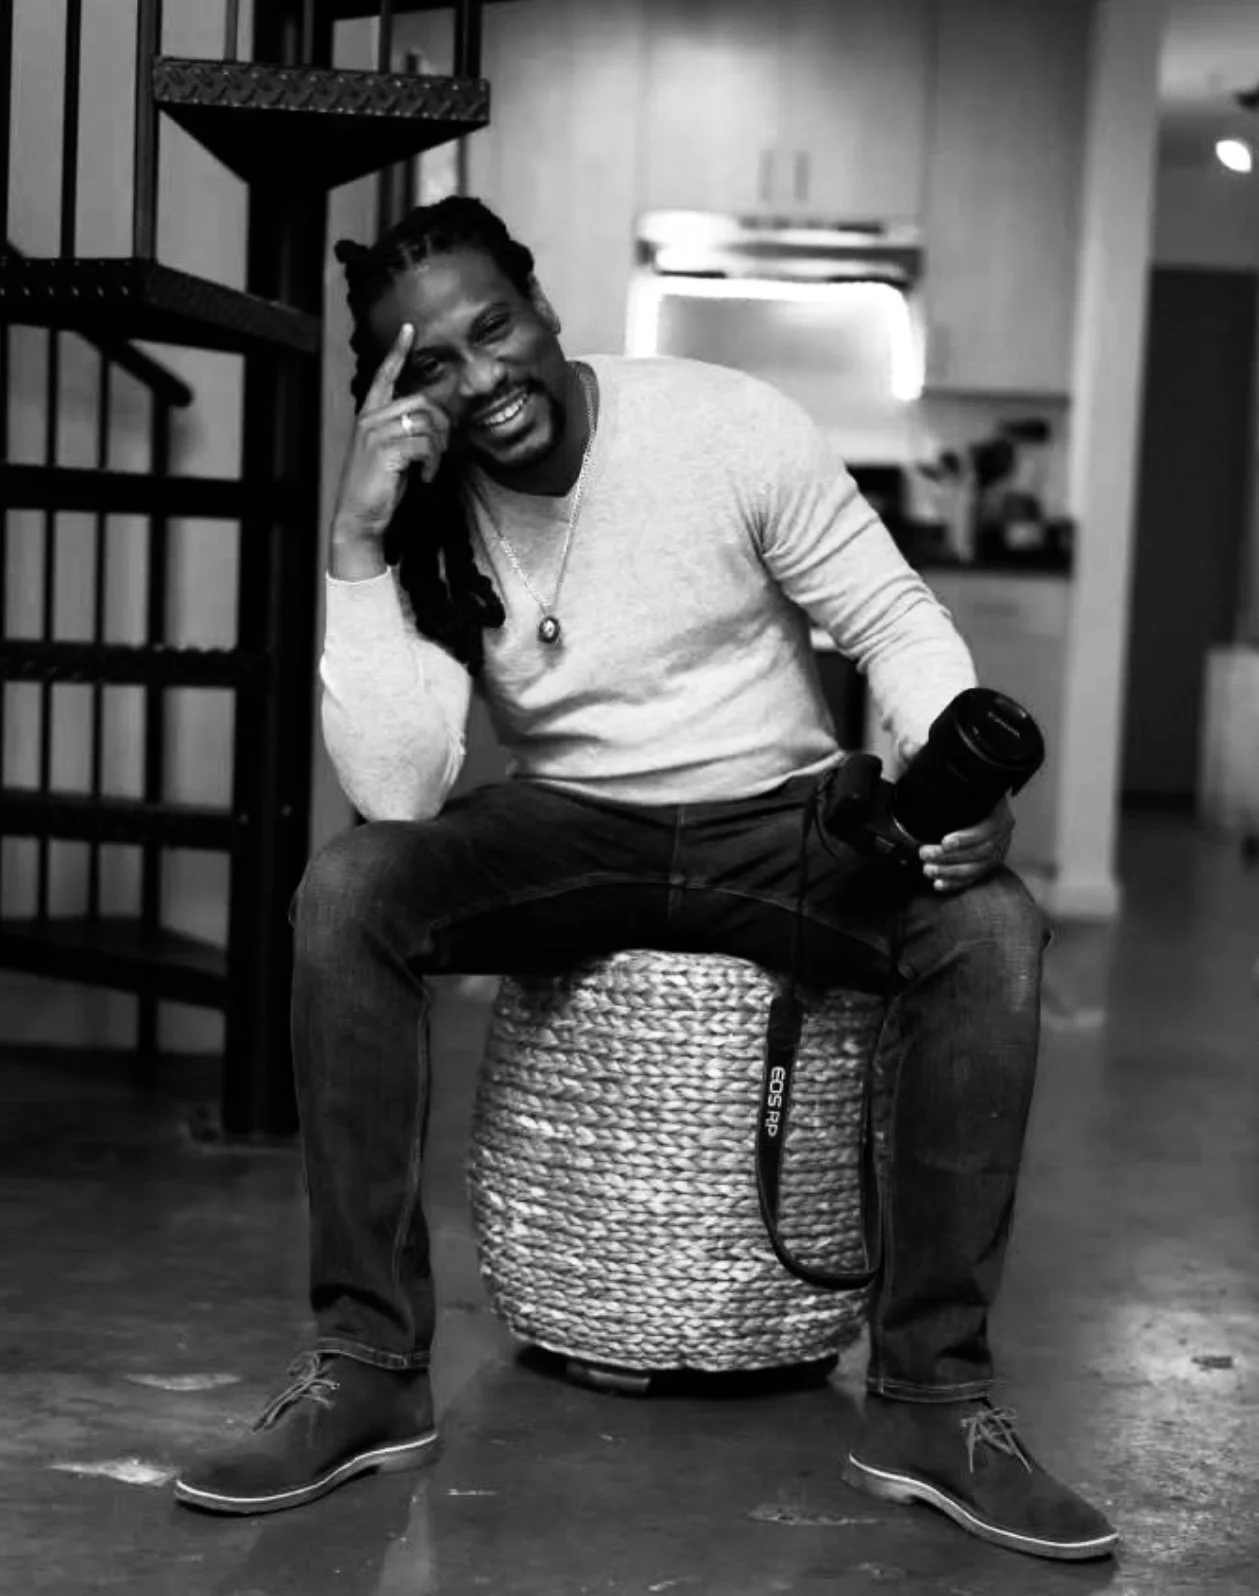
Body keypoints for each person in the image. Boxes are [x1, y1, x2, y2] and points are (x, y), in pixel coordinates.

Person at [174, 196, 1115, 1562]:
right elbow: (396, 790)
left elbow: (893, 617)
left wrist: (953, 778)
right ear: (396, 395)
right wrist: (361, 537)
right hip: (565, 828)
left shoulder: (722, 423)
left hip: (781, 820)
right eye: (430, 360)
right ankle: (368, 1369)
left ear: (544, 306)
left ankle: (931, 1398)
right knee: (348, 893)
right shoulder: (428, 517)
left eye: (492, 325)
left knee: (989, 928)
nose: (483, 374)